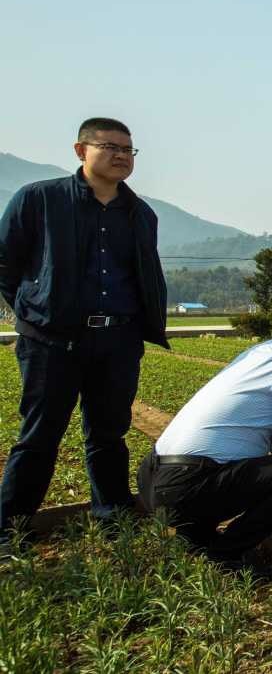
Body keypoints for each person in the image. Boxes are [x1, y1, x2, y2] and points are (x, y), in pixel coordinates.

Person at [0, 117, 168, 545]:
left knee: (109, 433)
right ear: (80, 151)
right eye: (110, 147)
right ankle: (10, 530)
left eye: (128, 150)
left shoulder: (140, 213)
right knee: (39, 436)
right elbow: (6, 264)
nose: (121, 156)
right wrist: (33, 308)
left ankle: (112, 517)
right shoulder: (39, 199)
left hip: (117, 340)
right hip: (51, 341)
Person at [137, 315, 272, 579]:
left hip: (151, 479)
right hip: (187, 489)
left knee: (228, 459)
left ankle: (195, 536)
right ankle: (226, 554)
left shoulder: (258, 353)